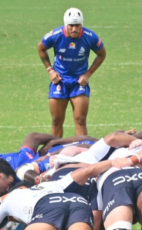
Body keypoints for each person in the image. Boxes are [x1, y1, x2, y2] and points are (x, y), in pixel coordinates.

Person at [37, 8, 106, 137]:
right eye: (71, 26)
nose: (74, 29)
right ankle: (55, 152)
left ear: (82, 25)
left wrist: (88, 73)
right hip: (59, 81)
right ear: (65, 25)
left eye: (77, 26)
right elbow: (41, 48)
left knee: (80, 120)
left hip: (79, 82)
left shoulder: (90, 37)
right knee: (56, 121)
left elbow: (102, 54)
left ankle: (82, 153)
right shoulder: (55, 35)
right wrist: (50, 70)